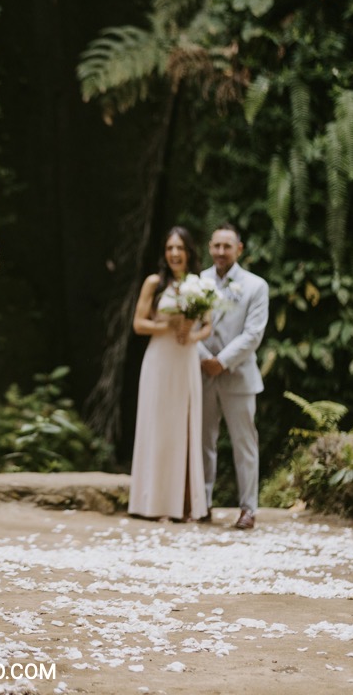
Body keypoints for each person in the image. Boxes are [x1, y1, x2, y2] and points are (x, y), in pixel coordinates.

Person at [127, 226, 212, 523]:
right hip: (159, 361)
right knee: (159, 426)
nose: (174, 254)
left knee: (185, 426)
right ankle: (155, 503)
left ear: (189, 252)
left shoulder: (200, 285)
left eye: (180, 248)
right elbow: (139, 324)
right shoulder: (154, 283)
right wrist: (169, 326)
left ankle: (185, 505)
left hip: (186, 359)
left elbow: (208, 326)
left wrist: (192, 334)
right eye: (169, 248)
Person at [199, 223, 269, 530]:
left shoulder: (256, 286)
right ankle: (202, 504)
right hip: (202, 375)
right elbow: (189, 326)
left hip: (238, 376)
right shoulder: (198, 282)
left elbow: (253, 334)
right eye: (216, 246)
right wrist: (205, 359)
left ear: (239, 249)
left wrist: (222, 361)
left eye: (227, 246)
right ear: (209, 247)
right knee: (203, 442)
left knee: (244, 444)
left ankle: (248, 509)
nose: (221, 251)